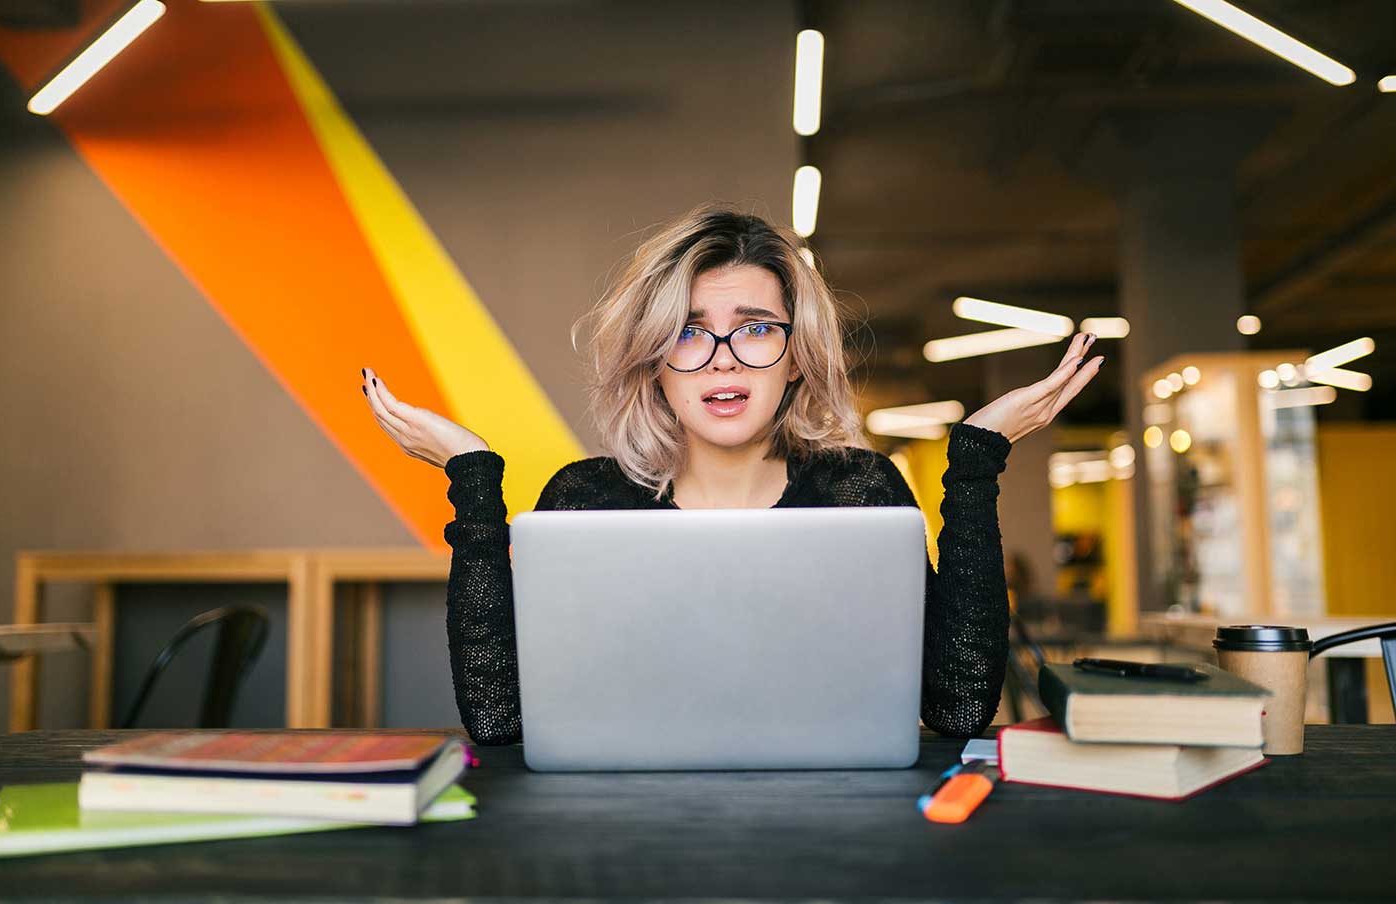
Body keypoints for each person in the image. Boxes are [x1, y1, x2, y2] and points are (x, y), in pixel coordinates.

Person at [361, 202, 1103, 745]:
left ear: (795, 356)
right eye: (688, 330)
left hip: (834, 831)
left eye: (754, 328)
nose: (722, 355)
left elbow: (960, 708)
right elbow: (497, 719)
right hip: (625, 835)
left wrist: (974, 464)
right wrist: (471, 480)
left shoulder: (860, 492)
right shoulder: (585, 499)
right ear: (655, 363)